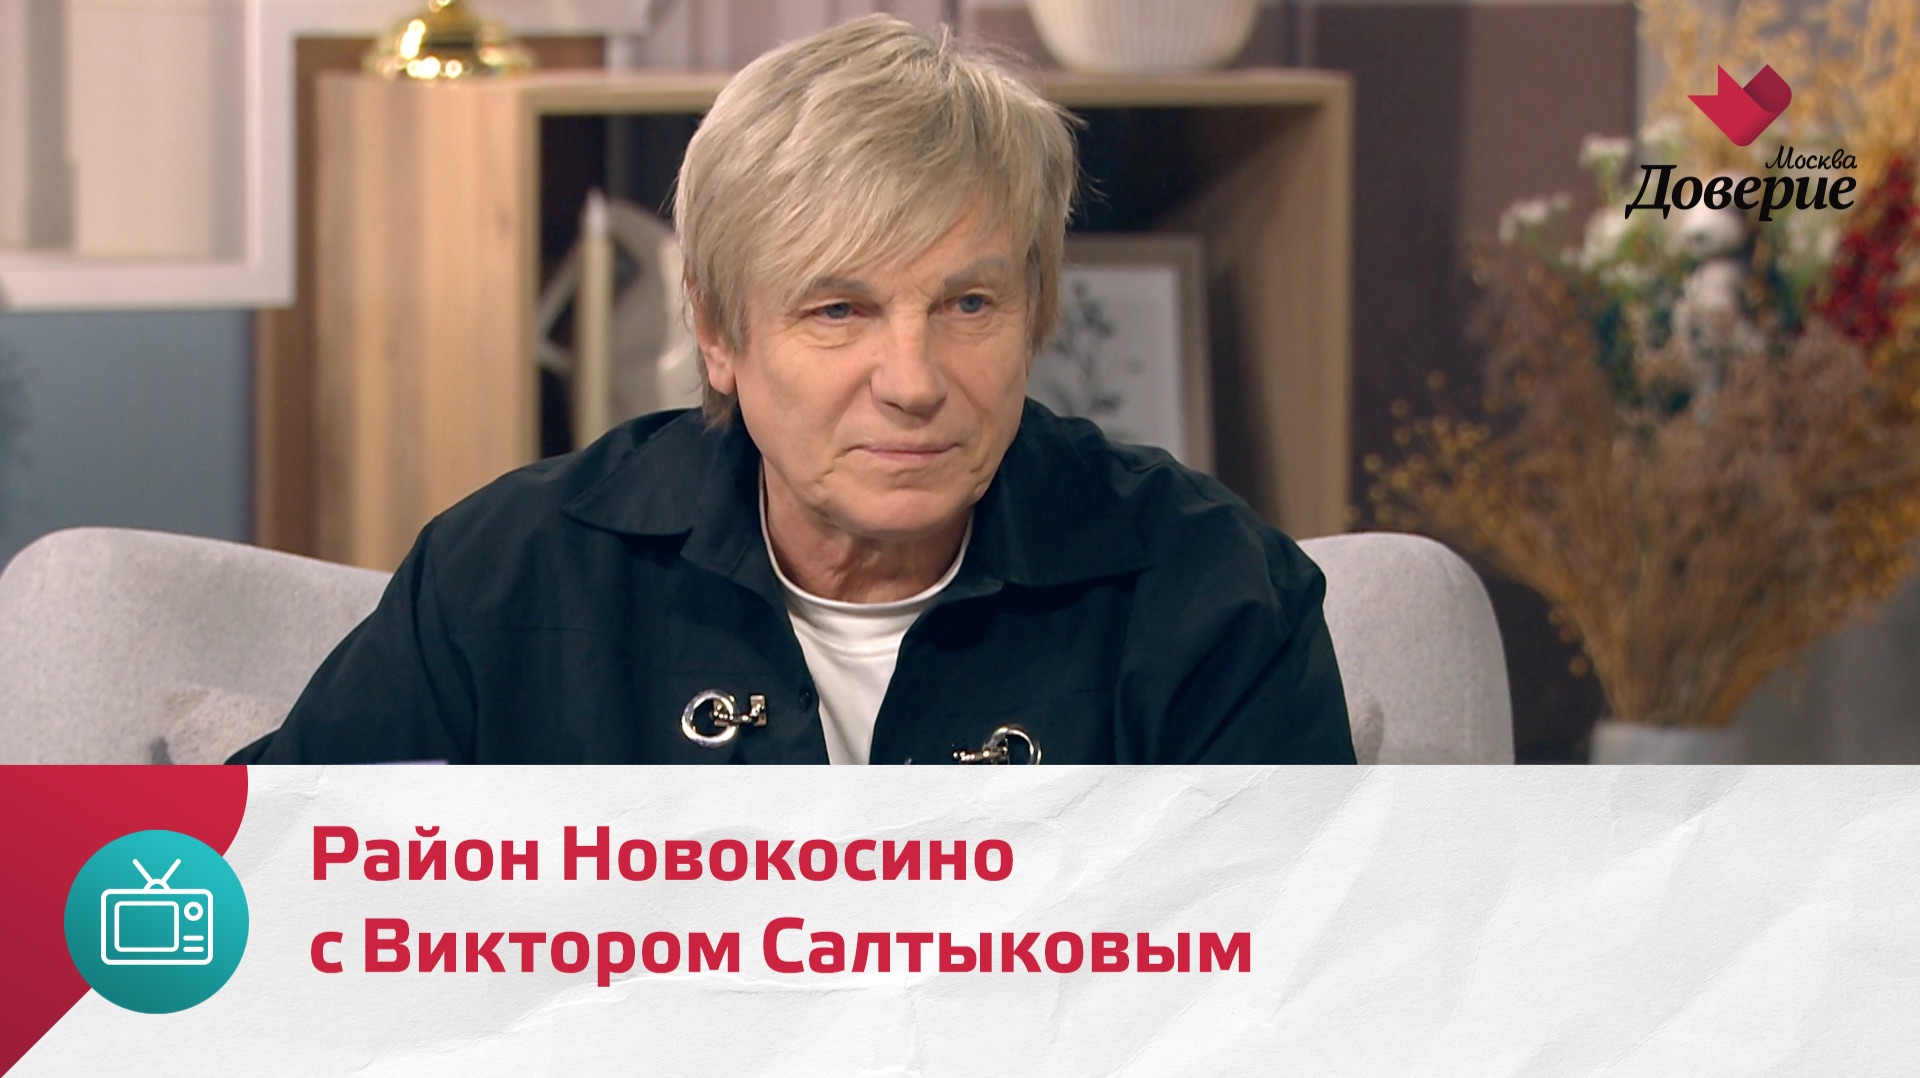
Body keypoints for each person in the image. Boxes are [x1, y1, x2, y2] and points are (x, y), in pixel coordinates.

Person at [230, 14, 1354, 765]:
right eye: (838, 311)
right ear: (718, 331)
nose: (913, 383)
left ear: (1036, 314)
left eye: (968, 305)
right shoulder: (510, 575)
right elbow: (256, 893)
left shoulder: (1211, 594)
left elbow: (1304, 991)